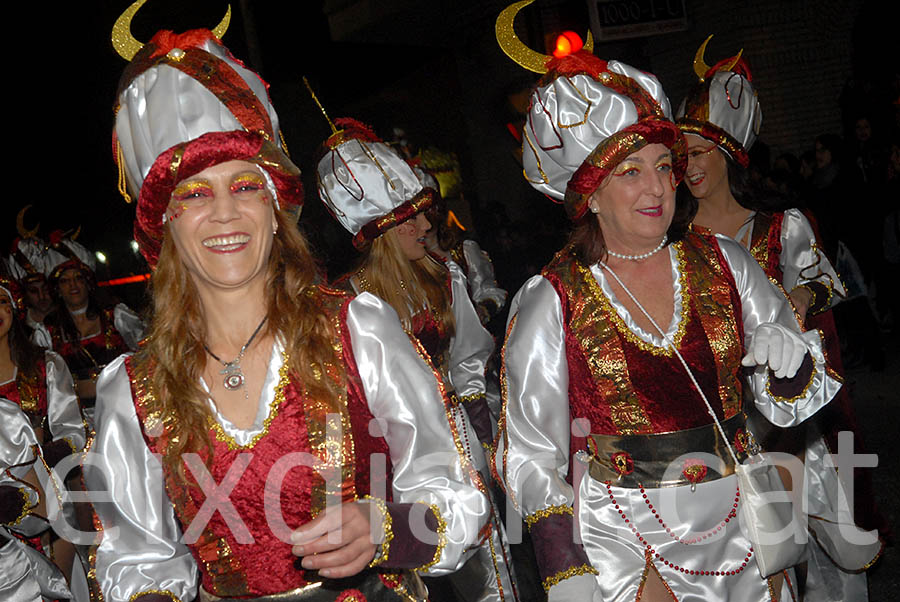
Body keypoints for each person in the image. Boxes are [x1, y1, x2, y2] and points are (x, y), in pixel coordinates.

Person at [85, 14, 488, 602]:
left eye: (246, 186)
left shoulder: (359, 331)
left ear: (276, 211)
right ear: (165, 226)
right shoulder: (131, 390)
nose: (225, 212)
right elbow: (136, 558)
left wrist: (383, 528)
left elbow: (459, 495)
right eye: (195, 195)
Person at [492, 21, 841, 601]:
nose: (656, 188)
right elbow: (529, 457)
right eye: (630, 172)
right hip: (629, 542)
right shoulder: (551, 297)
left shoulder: (725, 261)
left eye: (662, 165)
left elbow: (798, 397)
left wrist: (790, 365)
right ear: (590, 193)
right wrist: (564, 563)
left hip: (748, 523)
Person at [676, 42, 883, 600]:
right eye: (682, 156)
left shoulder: (780, 226)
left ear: (729, 153)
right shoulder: (675, 249)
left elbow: (823, 282)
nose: (689, 167)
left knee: (823, 558)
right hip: (721, 431)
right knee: (749, 564)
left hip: (790, 423)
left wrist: (797, 297)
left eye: (699, 152)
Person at [316, 118, 517, 602]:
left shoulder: (444, 276)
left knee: (487, 569)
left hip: (462, 444)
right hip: (394, 459)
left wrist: (480, 424)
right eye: (410, 218)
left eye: (423, 213)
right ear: (381, 232)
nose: (427, 225)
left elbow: (471, 357)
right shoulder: (347, 304)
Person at [44, 252, 144, 416]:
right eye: (65, 281)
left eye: (78, 278)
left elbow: (145, 354)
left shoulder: (116, 316)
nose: (73, 285)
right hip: (80, 419)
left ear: (88, 284)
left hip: (125, 410)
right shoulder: (48, 332)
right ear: (58, 290)